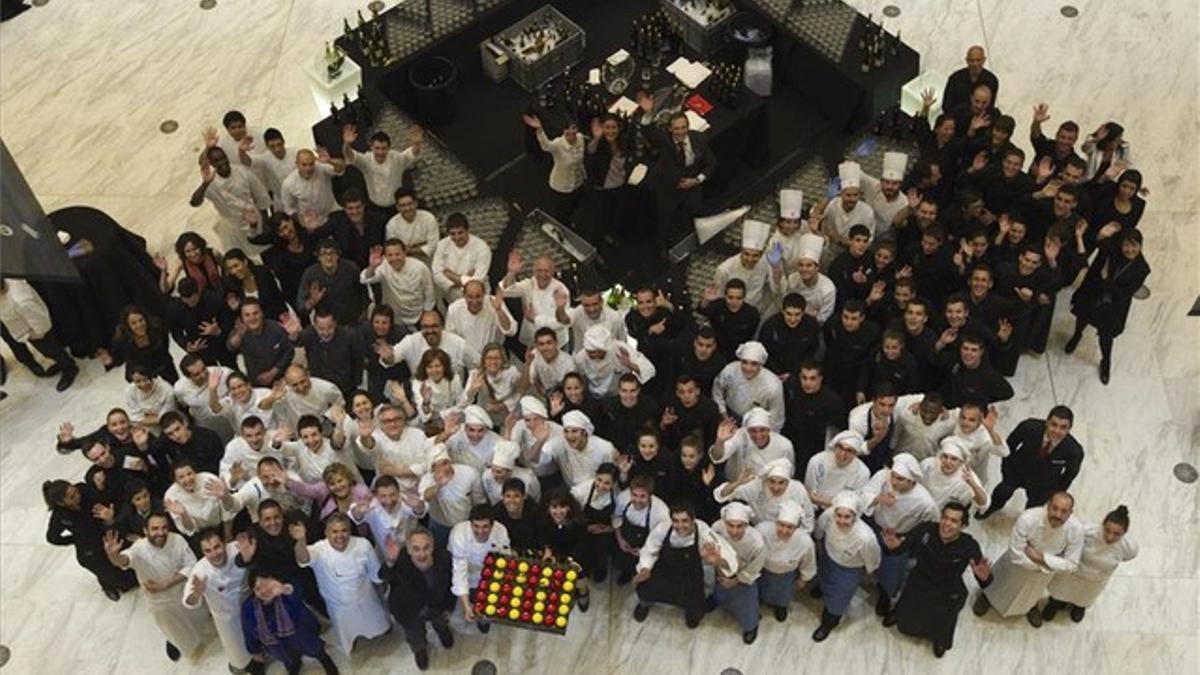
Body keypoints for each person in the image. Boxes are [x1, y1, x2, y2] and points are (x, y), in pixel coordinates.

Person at [882, 502, 992, 657]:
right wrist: (893, 547)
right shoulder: (925, 529)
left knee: (946, 616)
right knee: (907, 609)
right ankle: (899, 613)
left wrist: (984, 578)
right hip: (921, 578)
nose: (947, 524)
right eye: (945, 518)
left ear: (963, 525)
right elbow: (903, 546)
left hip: (948, 586)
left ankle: (940, 639)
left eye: (954, 521)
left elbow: (982, 574)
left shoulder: (969, 545)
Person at [103, 512, 211, 662]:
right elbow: (124, 560)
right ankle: (189, 650)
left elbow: (191, 565)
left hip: (183, 591)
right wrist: (113, 555)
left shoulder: (177, 540)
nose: (160, 533)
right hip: (162, 603)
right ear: (145, 531)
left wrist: (167, 583)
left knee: (197, 619)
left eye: (164, 528)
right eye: (154, 529)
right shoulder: (139, 548)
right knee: (177, 632)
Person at [974, 492, 1084, 627]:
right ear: (1048, 505)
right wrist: (1052, 564)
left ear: (1071, 513)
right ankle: (987, 597)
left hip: (1041, 575)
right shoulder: (1028, 518)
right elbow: (1016, 554)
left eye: (1064, 511)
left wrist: (1040, 558)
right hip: (1015, 568)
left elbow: (1072, 565)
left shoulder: (1076, 530)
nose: (1058, 515)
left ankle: (1030, 607)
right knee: (999, 584)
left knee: (1032, 594)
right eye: (1055, 508)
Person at [293, 514, 390, 654]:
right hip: (338, 605)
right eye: (335, 531)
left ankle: (383, 628)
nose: (340, 536)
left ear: (350, 531)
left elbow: (375, 572)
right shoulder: (319, 550)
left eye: (344, 531)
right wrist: (301, 541)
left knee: (378, 623)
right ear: (326, 533)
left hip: (365, 597)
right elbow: (304, 558)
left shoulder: (363, 544)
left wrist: (381, 586)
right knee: (347, 633)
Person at [632, 501, 737, 628]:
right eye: (675, 521)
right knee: (646, 588)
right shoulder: (664, 528)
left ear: (693, 520)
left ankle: (693, 614)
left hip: (691, 576)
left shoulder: (704, 533)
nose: (680, 525)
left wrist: (717, 561)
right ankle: (645, 604)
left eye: (685, 520)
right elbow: (649, 549)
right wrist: (645, 568)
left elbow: (729, 557)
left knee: (695, 609)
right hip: (666, 570)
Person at [1065, 228, 1150, 384]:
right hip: (1094, 294)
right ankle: (1077, 335)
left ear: (1141, 246)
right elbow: (1092, 272)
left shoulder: (1142, 269)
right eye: (1126, 245)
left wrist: (1106, 280)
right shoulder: (1110, 253)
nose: (1130, 250)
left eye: (1134, 246)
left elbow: (1123, 295)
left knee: (1106, 336)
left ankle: (1106, 361)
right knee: (1082, 317)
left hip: (1115, 306)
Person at [858, 453, 938, 616]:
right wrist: (878, 499)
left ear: (912, 481)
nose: (894, 482)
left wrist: (905, 540)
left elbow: (931, 524)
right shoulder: (882, 477)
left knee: (892, 570)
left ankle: (885, 595)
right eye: (893, 476)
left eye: (900, 479)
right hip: (875, 526)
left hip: (898, 538)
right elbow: (864, 495)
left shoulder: (924, 501)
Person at [637, 103, 717, 256]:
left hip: (692, 186)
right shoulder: (664, 140)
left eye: (683, 128)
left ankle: (692, 241)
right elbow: (647, 131)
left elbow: (711, 164)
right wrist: (648, 113)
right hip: (668, 189)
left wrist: (696, 180)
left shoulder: (699, 139)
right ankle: (663, 246)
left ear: (688, 127)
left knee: (693, 213)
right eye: (676, 129)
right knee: (664, 220)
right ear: (670, 129)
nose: (680, 132)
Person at [979, 406, 1083, 519]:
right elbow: (1008, 447)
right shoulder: (1029, 427)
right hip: (1017, 471)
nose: (1057, 431)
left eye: (1063, 427)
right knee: (1001, 493)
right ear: (1047, 422)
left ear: (1069, 429)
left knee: (1031, 513)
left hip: (1043, 484)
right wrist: (1007, 471)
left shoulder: (1074, 450)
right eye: (1054, 424)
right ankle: (990, 509)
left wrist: (1054, 494)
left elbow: (1069, 475)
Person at [43, 479, 138, 601]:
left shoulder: (84, 490)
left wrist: (109, 515)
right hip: (90, 550)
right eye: (72, 497)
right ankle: (106, 584)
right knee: (125, 583)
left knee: (134, 568)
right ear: (62, 503)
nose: (77, 496)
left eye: (75, 491)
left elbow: (105, 500)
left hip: (107, 535)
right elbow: (52, 538)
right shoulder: (60, 516)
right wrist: (76, 539)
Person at [1043, 504, 1137, 623]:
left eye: (1117, 534)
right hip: (1072, 574)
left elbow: (1127, 557)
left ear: (1124, 533)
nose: (1110, 537)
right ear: (1103, 524)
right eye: (1107, 530)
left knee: (1084, 597)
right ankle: (1055, 603)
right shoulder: (1086, 531)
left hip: (1095, 581)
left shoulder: (1129, 547)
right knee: (1061, 591)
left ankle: (1079, 607)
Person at [240, 567, 340, 675]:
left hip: (300, 633)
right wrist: (254, 651)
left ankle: (324, 659)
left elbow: (295, 592)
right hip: (276, 643)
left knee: (312, 646)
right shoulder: (249, 608)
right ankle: (294, 663)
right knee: (287, 657)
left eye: (266, 584)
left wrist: (284, 589)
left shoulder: (285, 590)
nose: (264, 591)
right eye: (258, 589)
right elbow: (249, 631)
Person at [810, 491, 881, 641]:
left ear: (855, 516)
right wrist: (818, 544)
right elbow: (819, 530)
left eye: (847, 517)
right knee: (824, 579)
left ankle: (829, 622)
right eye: (839, 515)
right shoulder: (828, 515)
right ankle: (822, 591)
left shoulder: (865, 537)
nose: (841, 521)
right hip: (829, 558)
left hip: (849, 570)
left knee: (839, 597)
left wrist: (868, 572)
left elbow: (873, 558)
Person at [182, 529, 253, 673]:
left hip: (250, 607)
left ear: (224, 543)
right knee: (237, 652)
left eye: (217, 547)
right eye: (208, 551)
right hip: (227, 619)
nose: (214, 554)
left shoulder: (238, 549)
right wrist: (197, 594)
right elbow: (189, 600)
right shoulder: (200, 570)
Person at [384, 528, 455, 670]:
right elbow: (385, 576)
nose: (422, 554)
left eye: (426, 548)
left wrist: (449, 607)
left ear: (433, 546)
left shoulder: (444, 558)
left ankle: (443, 632)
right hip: (409, 609)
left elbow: (451, 584)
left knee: (440, 622)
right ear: (409, 550)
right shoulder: (400, 559)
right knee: (414, 635)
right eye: (416, 549)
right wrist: (390, 562)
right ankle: (420, 651)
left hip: (436, 604)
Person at [0, 277, 79, 390]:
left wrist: (37, 334)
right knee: (49, 351)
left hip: (37, 332)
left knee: (52, 351)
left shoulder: (20, 300)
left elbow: (38, 320)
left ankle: (69, 368)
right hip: (25, 330)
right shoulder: (8, 288)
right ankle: (63, 363)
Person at [190, 145, 271, 253]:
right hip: (232, 228)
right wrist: (205, 184)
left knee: (265, 251)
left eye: (223, 158)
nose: (222, 162)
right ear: (212, 164)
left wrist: (265, 224)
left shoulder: (242, 172)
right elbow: (194, 202)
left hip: (254, 219)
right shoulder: (210, 181)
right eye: (217, 161)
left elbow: (260, 197)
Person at [710, 502, 768, 644]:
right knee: (720, 592)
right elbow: (712, 551)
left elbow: (755, 568)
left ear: (747, 525)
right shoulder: (717, 529)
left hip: (744, 576)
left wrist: (736, 580)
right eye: (730, 525)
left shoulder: (757, 543)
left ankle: (750, 626)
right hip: (721, 571)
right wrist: (719, 569)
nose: (734, 531)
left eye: (739, 526)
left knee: (748, 604)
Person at [450, 504, 512, 633]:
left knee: (490, 599)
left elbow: (505, 558)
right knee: (474, 598)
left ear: (492, 525)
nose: (480, 531)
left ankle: (484, 618)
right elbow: (459, 572)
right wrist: (467, 607)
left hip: (492, 572)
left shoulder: (501, 531)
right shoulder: (460, 534)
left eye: (485, 527)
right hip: (469, 572)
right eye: (476, 526)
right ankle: (478, 613)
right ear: (470, 524)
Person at [755, 501, 817, 621]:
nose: (784, 531)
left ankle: (781, 607)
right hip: (764, 571)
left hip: (787, 576)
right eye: (781, 525)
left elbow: (808, 563)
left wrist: (803, 579)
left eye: (790, 527)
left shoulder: (805, 542)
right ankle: (762, 599)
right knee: (762, 589)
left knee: (783, 595)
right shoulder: (762, 529)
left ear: (797, 527)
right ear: (775, 522)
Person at [342, 124, 423, 213]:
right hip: (375, 207)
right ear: (371, 147)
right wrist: (347, 144)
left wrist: (417, 143)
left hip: (397, 206)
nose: (380, 152)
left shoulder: (396, 158)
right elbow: (350, 155)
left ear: (389, 148)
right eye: (377, 148)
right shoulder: (366, 160)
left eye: (383, 148)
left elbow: (412, 153)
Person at [715, 458, 814, 529]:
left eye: (781, 482)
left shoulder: (798, 489)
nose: (776, 487)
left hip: (788, 535)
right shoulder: (756, 486)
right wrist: (738, 482)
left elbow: (808, 518)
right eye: (772, 481)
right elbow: (722, 494)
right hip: (760, 534)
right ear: (766, 479)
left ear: (788, 481)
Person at [286, 310, 365, 398]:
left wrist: (356, 382)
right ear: (315, 326)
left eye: (329, 328)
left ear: (335, 323)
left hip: (345, 387)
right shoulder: (310, 334)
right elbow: (298, 341)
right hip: (320, 386)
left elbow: (358, 359)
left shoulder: (349, 335)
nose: (326, 333)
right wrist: (293, 335)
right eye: (321, 329)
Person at [523, 113, 586, 223]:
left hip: (578, 183)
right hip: (561, 187)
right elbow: (546, 146)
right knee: (562, 213)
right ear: (563, 130)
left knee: (574, 207)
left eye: (574, 128)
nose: (571, 131)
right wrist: (540, 129)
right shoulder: (558, 144)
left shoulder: (580, 138)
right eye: (567, 129)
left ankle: (569, 223)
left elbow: (580, 160)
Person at [782, 363, 846, 468]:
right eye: (804, 378)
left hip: (814, 444)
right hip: (791, 437)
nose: (807, 383)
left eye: (812, 378)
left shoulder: (832, 401)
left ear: (820, 378)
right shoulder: (792, 385)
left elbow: (838, 428)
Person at [712, 341, 784, 430]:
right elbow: (717, 392)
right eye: (744, 362)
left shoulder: (773, 386)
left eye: (754, 364)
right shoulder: (729, 371)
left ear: (761, 364)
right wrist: (724, 415)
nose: (748, 368)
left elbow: (776, 420)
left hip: (757, 425)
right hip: (728, 416)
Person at [99, 304, 178, 384]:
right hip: (138, 367)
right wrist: (110, 361)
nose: (139, 325)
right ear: (127, 325)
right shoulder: (121, 339)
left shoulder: (157, 327)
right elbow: (118, 359)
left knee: (175, 386)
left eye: (141, 320)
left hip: (161, 362)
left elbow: (165, 347)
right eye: (134, 323)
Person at [297, 239, 366, 327]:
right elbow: (301, 307)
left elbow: (363, 293)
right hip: (326, 326)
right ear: (318, 257)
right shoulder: (310, 274)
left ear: (338, 255)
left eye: (332, 253)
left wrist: (363, 315)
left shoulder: (351, 268)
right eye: (324, 254)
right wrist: (312, 301)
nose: (329, 258)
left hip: (352, 321)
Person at [573, 324, 656, 397]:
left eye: (600, 352)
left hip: (619, 395)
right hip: (593, 395)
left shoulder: (621, 349)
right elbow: (579, 380)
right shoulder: (580, 357)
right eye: (591, 352)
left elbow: (649, 370)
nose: (596, 355)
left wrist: (629, 364)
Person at [163, 460, 236, 541]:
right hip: (198, 535)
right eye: (181, 477)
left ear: (195, 473)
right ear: (175, 481)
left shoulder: (209, 479)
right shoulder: (171, 496)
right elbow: (190, 529)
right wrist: (184, 515)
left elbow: (229, 508)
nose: (187, 479)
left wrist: (227, 534)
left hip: (223, 524)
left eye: (189, 474)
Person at [227, 299, 295, 386]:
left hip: (282, 378)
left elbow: (289, 351)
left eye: (255, 313)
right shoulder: (239, 332)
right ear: (242, 318)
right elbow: (231, 347)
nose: (252, 318)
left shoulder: (275, 327)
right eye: (247, 315)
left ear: (262, 313)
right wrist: (239, 335)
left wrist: (273, 372)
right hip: (257, 382)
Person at [431, 213, 493, 304]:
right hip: (451, 295)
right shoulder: (442, 245)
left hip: (477, 297)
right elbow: (436, 272)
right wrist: (464, 280)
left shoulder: (482, 248)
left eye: (460, 232)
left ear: (468, 230)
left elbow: (478, 279)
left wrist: (451, 275)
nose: (457, 237)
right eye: (453, 234)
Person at [803, 431, 870, 510]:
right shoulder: (817, 461)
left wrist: (823, 500)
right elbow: (810, 494)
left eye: (849, 451)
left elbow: (854, 503)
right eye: (840, 448)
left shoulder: (862, 472)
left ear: (856, 454)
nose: (842, 454)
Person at [279, 149, 344, 230]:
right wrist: (302, 223)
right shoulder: (288, 183)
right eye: (304, 165)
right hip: (310, 224)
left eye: (311, 164)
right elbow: (289, 209)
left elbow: (342, 168)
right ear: (297, 164)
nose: (308, 168)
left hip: (332, 212)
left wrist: (330, 161)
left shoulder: (321, 167)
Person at [699, 278, 761, 364]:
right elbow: (702, 310)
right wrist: (706, 299)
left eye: (738, 298)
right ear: (725, 296)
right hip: (716, 354)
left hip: (738, 356)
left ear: (744, 297)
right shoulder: (718, 306)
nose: (734, 301)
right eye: (730, 297)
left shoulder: (752, 314)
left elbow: (750, 337)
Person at [714, 221, 771, 310]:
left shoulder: (765, 264)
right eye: (747, 254)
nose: (750, 259)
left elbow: (773, 287)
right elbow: (718, 296)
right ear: (741, 251)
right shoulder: (724, 269)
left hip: (755, 311)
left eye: (755, 255)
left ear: (761, 254)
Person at [759, 293, 820, 377]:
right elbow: (763, 350)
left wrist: (793, 373)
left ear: (803, 313)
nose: (792, 319)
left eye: (797, 314)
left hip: (799, 373)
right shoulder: (770, 325)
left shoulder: (811, 326)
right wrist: (776, 373)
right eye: (789, 314)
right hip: (771, 372)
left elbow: (811, 353)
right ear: (782, 311)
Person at [920, 438, 989, 510]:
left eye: (954, 459)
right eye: (945, 457)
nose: (948, 462)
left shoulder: (968, 476)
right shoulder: (928, 464)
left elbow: (984, 504)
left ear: (961, 462)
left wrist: (973, 484)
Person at [385, 189, 440, 260]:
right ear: (397, 207)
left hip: (429, 258)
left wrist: (409, 250)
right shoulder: (392, 224)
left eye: (410, 204)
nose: (407, 208)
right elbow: (394, 250)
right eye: (403, 205)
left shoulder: (429, 218)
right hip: (404, 260)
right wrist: (420, 248)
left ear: (416, 203)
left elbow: (433, 247)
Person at [942, 45, 999, 113]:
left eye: (978, 60)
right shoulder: (955, 79)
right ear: (967, 60)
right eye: (972, 60)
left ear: (984, 60)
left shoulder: (991, 80)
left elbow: (990, 106)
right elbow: (946, 106)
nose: (975, 64)